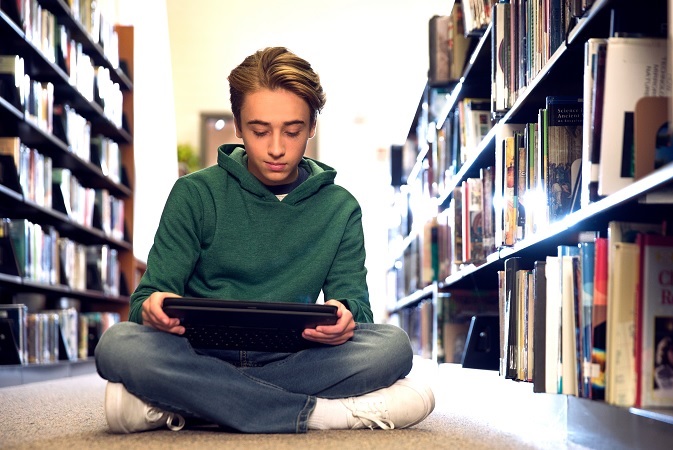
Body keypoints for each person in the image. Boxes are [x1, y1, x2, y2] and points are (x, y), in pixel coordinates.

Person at [94, 46, 435, 434]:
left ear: (312, 126)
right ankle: (320, 415)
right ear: (238, 126)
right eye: (259, 131)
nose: (276, 148)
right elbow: (145, 302)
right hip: (200, 351)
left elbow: (356, 306)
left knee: (391, 348)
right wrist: (154, 307)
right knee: (118, 344)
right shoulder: (194, 194)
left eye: (292, 131)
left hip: (295, 356)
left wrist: (344, 314)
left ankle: (187, 404)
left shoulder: (340, 208)